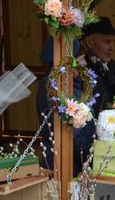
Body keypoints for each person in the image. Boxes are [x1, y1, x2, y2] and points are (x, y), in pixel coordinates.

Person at [80, 16, 115, 167]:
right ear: (90, 42)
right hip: (87, 144)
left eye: (113, 42)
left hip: (109, 138)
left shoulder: (111, 66)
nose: (112, 47)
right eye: (107, 41)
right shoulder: (80, 68)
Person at [36, 37, 84, 172]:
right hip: (63, 159)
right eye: (79, 59)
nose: (83, 63)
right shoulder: (58, 87)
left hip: (59, 155)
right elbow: (69, 130)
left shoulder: (57, 83)